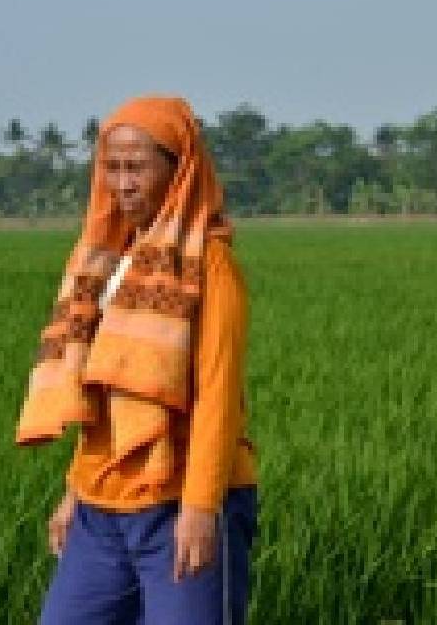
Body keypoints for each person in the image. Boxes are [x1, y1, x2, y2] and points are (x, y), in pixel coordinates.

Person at [15, 96, 257, 625]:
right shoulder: (103, 264)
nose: (123, 184)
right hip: (102, 509)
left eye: (137, 168)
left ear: (179, 171)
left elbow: (218, 393)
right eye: (112, 168)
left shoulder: (210, 266)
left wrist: (199, 507)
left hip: (180, 503)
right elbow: (98, 390)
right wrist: (75, 491)